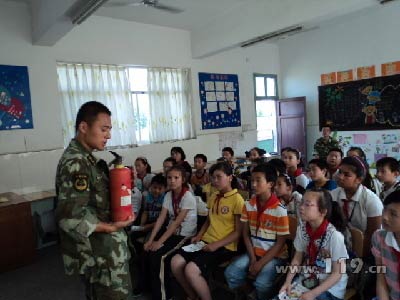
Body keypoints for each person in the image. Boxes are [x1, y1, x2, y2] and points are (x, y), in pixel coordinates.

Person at [55, 101, 134, 300]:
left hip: (106, 253)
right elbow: (70, 218)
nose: (108, 135)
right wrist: (111, 228)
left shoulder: (87, 159)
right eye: (103, 129)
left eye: (109, 130)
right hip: (101, 256)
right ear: (84, 127)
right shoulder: (77, 163)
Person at [171, 162, 244, 300]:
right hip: (205, 241)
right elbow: (208, 220)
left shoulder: (237, 200)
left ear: (230, 177)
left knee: (191, 270)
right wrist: (199, 235)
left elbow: (237, 233)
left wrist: (215, 245)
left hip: (225, 246)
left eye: (219, 177)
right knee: (176, 262)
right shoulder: (214, 196)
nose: (215, 181)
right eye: (212, 177)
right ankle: (193, 295)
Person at [225, 164, 289, 300]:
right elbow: (245, 234)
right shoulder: (248, 204)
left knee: (262, 284)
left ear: (270, 184)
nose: (253, 184)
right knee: (231, 273)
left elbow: (280, 243)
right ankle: (249, 294)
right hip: (254, 253)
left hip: (275, 256)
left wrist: (260, 263)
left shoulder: (279, 209)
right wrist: (253, 258)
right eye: (252, 180)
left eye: (258, 180)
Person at [278, 188, 348, 300]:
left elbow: (337, 273)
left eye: (308, 204)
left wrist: (313, 294)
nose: (301, 207)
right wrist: (287, 282)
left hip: (331, 287)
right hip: (308, 279)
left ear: (323, 211)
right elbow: (297, 258)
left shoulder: (334, 236)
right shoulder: (302, 229)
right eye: (301, 202)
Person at [144, 165, 197, 300]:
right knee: (150, 251)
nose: (172, 181)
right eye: (169, 178)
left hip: (185, 235)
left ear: (183, 179)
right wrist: (151, 240)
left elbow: (175, 224)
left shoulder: (187, 196)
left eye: (176, 178)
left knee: (160, 257)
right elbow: (161, 218)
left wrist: (159, 242)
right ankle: (156, 290)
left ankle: (164, 296)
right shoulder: (168, 195)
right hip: (172, 233)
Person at [330, 156, 383, 257]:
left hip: (367, 250)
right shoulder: (333, 195)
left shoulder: (372, 201)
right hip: (340, 245)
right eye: (340, 172)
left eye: (347, 175)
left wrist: (359, 259)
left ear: (359, 179)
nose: (340, 177)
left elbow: (372, 236)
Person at [371, 190, 400, 300]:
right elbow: (381, 275)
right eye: (384, 210)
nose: (385, 217)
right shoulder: (379, 237)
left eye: (393, 214)